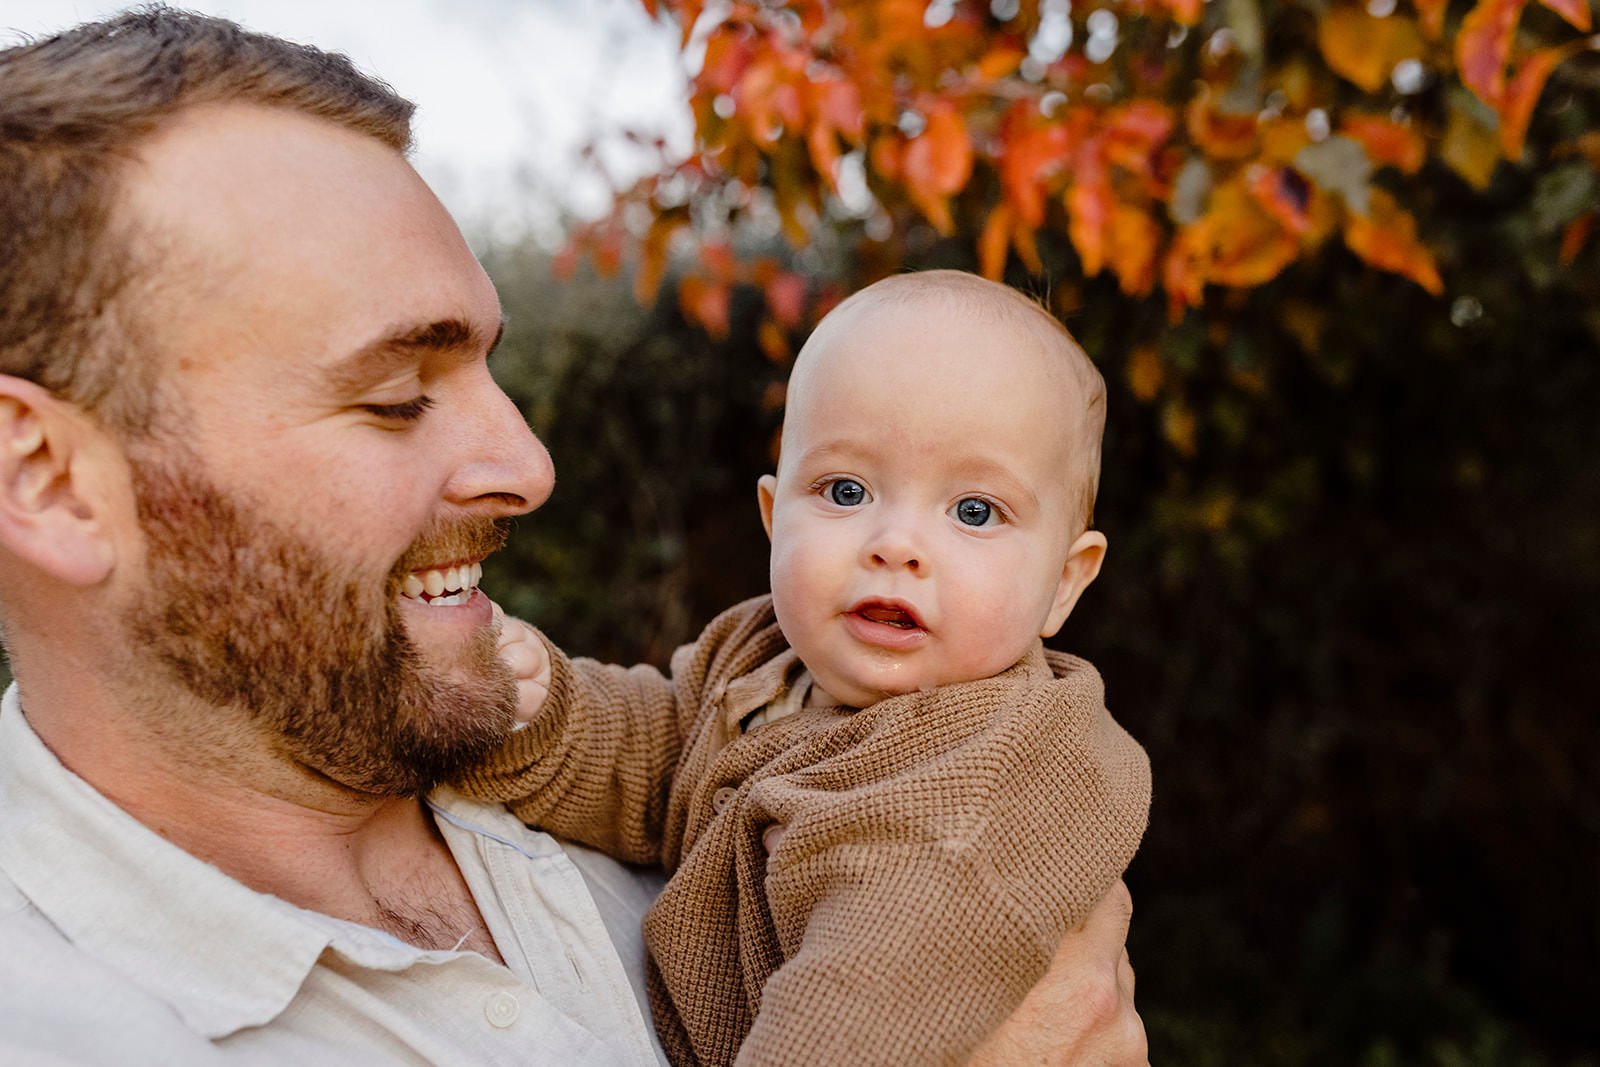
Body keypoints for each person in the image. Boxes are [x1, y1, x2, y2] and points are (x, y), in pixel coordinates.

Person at [0, 8, 1146, 1065]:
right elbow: (653, 741)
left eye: (975, 510)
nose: (530, 466)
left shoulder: (985, 773)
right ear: (49, 477)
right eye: (398, 394)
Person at [462, 270, 1151, 1065]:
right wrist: (550, 710)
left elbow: (853, 1018)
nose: (896, 543)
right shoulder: (759, 663)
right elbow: (660, 757)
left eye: (973, 511)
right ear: (773, 515)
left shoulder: (986, 782)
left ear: (1064, 582)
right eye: (846, 489)